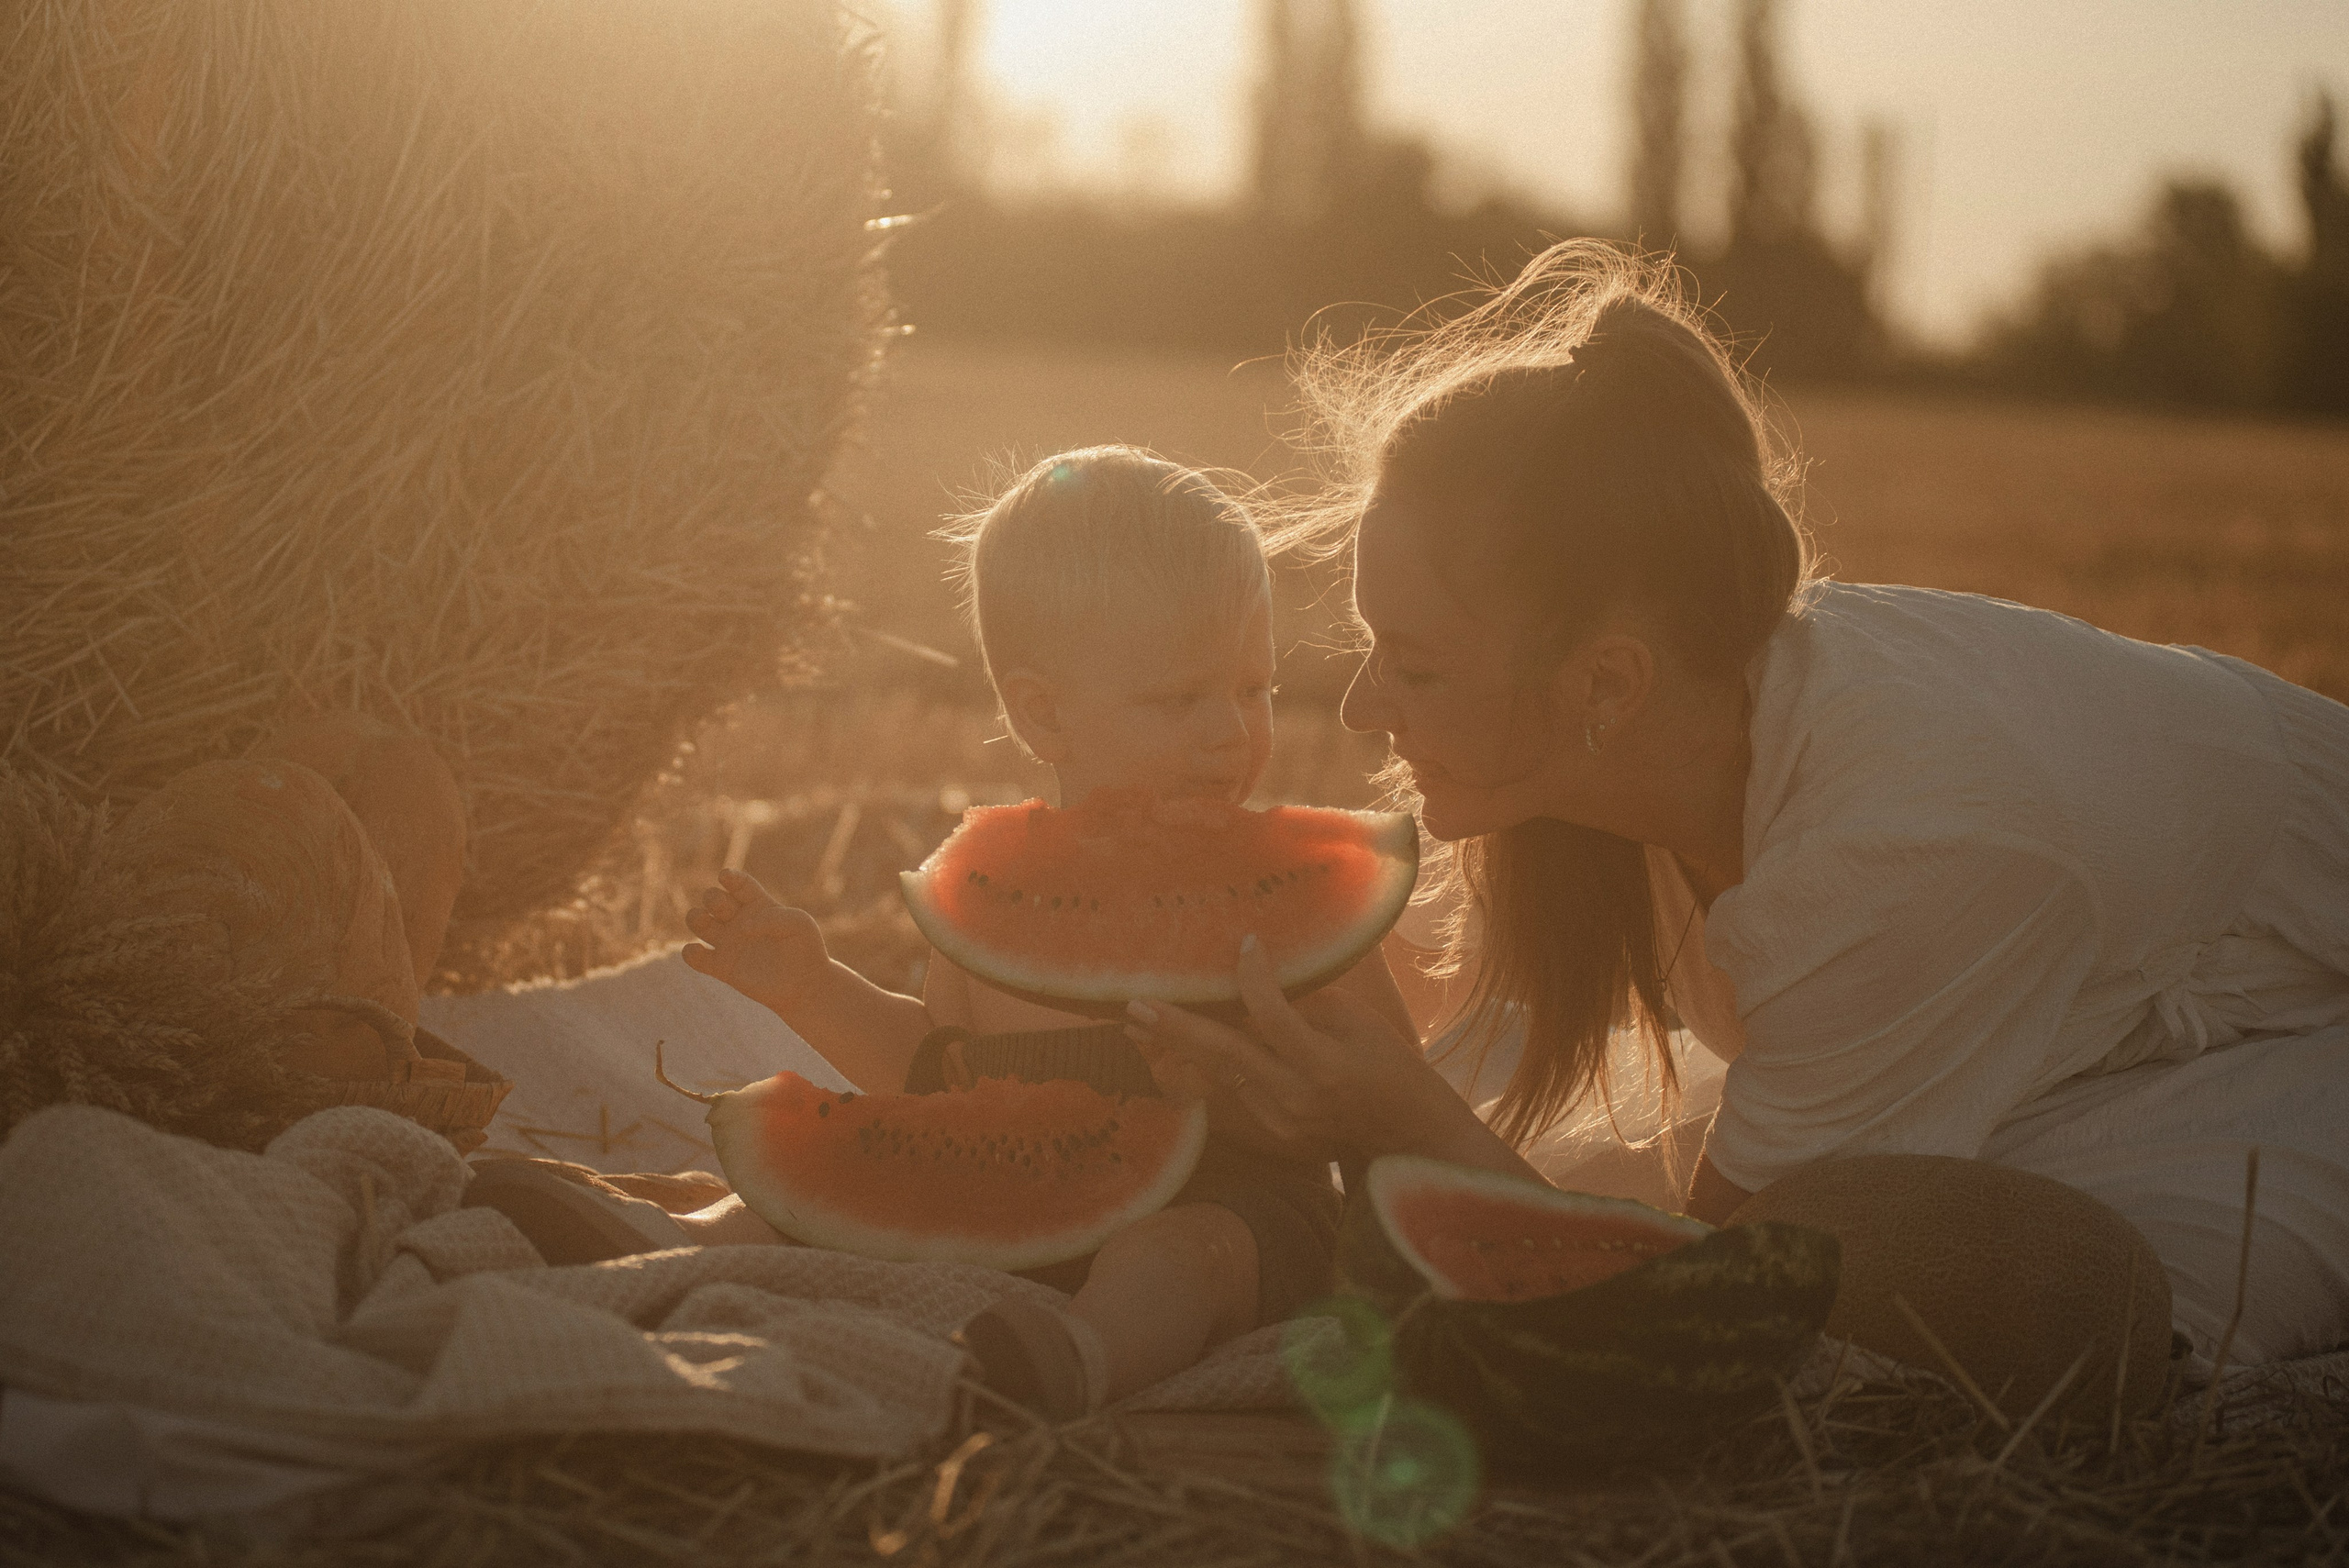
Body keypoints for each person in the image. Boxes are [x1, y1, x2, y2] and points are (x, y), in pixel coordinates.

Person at [1125, 240, 2349, 1377]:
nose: (1358, 706)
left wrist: (1391, 1112)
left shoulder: (1891, 853)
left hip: (2304, 1019)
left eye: (1417, 666)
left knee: (1947, 1303)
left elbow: (1678, 1293)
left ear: (1607, 683)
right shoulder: (1674, 723)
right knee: (1567, 1145)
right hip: (2096, 1003)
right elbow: (1468, 1017)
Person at [682, 445, 1415, 1418]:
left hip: (1248, 1219)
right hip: (1009, 1207)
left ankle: (1062, 1367)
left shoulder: (1289, 906)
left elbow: (1397, 1102)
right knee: (776, 1207)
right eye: (1179, 698)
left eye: (1254, 689)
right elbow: (932, 1080)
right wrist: (813, 988)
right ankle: (651, 1245)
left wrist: (1254, 1088)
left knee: (1171, 1257)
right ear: (1042, 713)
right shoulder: (992, 895)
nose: (1229, 733)